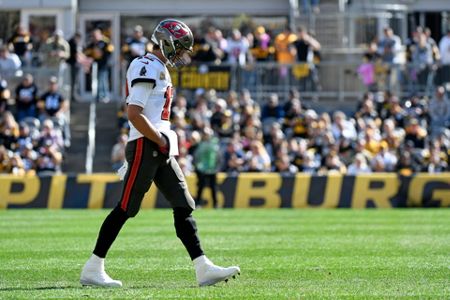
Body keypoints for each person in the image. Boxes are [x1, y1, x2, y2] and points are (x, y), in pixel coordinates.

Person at [80, 19, 240, 288]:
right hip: (146, 144)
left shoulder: (159, 68)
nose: (182, 55)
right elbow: (134, 113)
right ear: (167, 43)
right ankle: (93, 267)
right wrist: (158, 140)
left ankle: (203, 268)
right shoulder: (146, 65)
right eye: (180, 48)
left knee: (183, 204)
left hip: (159, 145)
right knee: (126, 208)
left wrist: (164, 141)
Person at [193, 127, 220, 208]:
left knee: (213, 187)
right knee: (200, 187)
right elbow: (196, 156)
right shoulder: (200, 144)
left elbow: (217, 156)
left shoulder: (214, 144)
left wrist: (217, 166)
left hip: (212, 169)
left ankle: (215, 204)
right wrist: (197, 167)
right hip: (202, 169)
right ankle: (198, 203)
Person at [85, 28, 114, 102]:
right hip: (95, 65)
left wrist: (102, 54)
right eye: (93, 36)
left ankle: (104, 96)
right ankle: (98, 96)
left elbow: (110, 51)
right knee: (96, 81)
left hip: (103, 64)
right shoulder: (92, 43)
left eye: (95, 35)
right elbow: (87, 52)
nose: (94, 37)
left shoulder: (105, 42)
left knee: (103, 80)